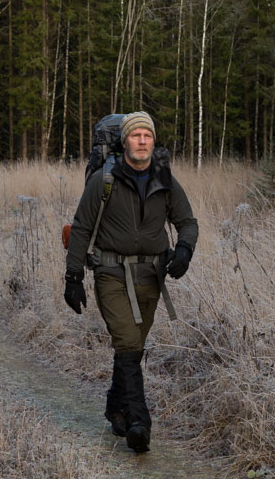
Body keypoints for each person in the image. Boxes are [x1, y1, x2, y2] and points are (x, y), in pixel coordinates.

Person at [63, 111, 198, 453]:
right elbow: (80, 228)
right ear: (124, 142)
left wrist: (184, 249)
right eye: (135, 135)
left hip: (152, 277)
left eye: (147, 136)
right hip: (110, 274)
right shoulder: (104, 180)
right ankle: (139, 421)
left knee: (132, 347)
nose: (141, 141)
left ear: (154, 141)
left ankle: (115, 407)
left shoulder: (164, 179)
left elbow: (188, 222)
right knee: (126, 340)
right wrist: (73, 275)